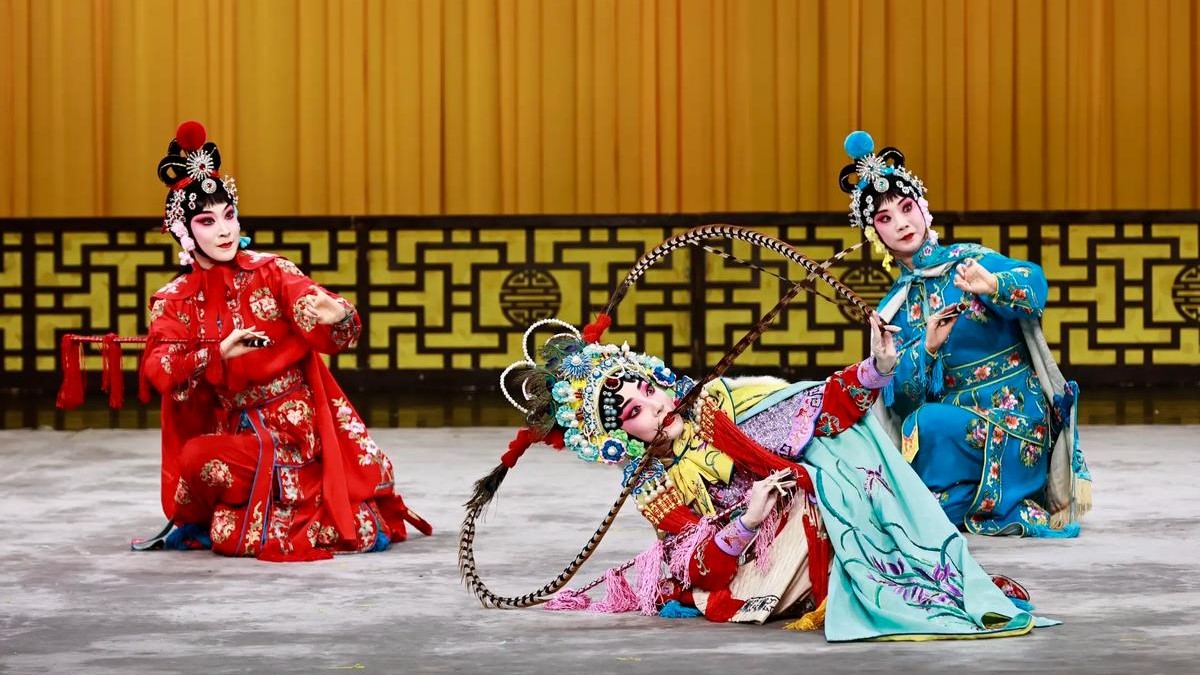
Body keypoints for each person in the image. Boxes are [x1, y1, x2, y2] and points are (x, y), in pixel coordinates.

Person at [476, 314, 1053, 642]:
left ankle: (900, 575)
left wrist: (877, 367)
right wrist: (749, 518)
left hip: (800, 518)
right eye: (632, 412)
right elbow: (689, 561)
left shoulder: (722, 401)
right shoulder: (652, 482)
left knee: (831, 466)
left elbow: (821, 409)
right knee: (806, 505)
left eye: (647, 389)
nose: (651, 406)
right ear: (620, 436)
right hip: (751, 567)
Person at [139, 121, 431, 560]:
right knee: (199, 462)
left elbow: (313, 307)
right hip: (235, 429)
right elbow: (159, 367)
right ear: (183, 231)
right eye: (207, 220)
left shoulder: (273, 271)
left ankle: (307, 500)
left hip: (294, 428)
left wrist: (337, 315)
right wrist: (215, 353)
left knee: (226, 530)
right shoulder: (175, 300)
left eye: (229, 216)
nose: (224, 230)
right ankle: (289, 506)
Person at [837, 130, 1091, 537]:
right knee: (913, 430)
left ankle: (976, 497)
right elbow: (902, 401)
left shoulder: (967, 261)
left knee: (928, 425)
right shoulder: (894, 308)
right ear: (874, 235)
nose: (901, 224)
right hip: (959, 437)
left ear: (923, 209)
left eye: (906, 208)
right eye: (885, 219)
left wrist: (993, 287)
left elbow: (1035, 284)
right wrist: (918, 353)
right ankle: (961, 501)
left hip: (1015, 425)